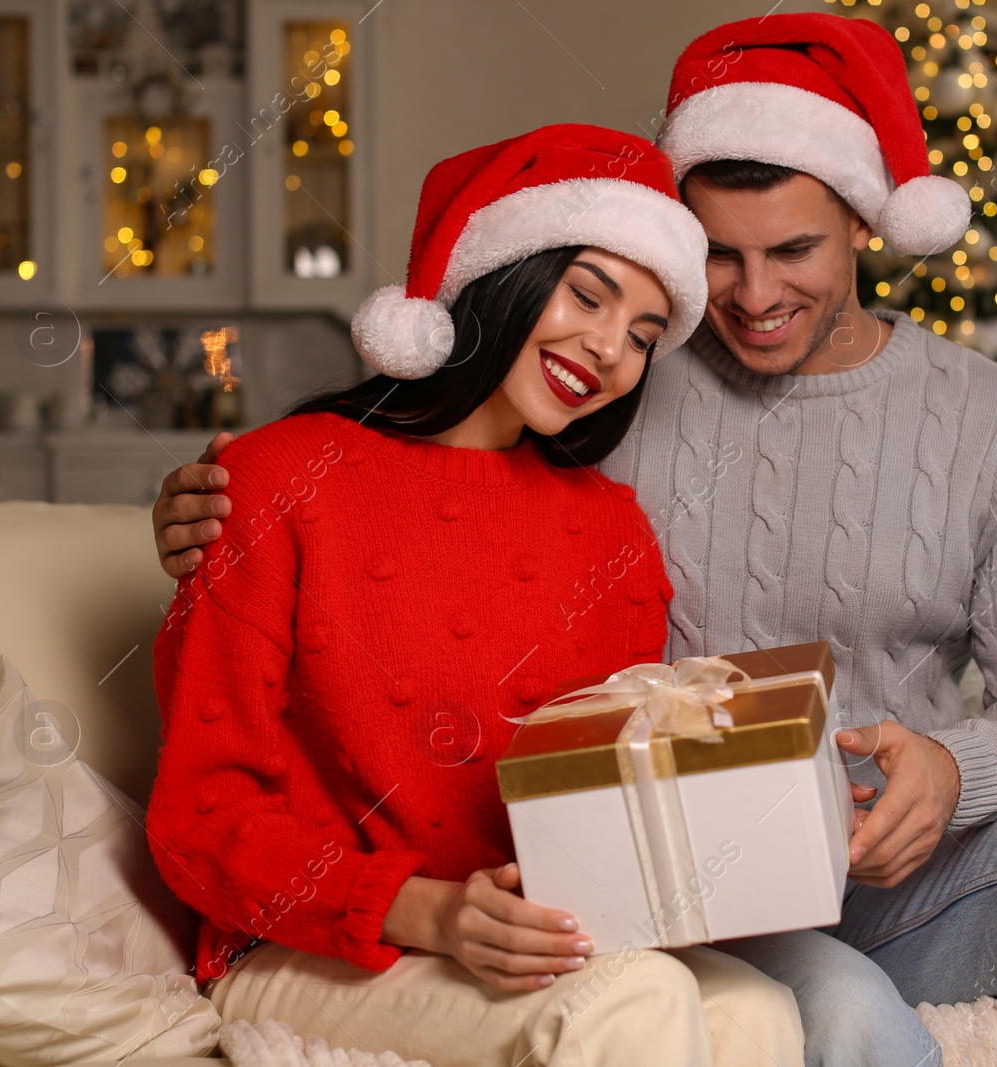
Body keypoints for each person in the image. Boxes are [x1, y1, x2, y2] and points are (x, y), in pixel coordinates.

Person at [153, 15, 997, 1067]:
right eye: (719, 257)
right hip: (703, 890)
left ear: (866, 226)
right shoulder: (607, 405)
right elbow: (405, 487)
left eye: (792, 249)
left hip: (900, 870)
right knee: (838, 1017)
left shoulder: (988, 420)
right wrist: (212, 511)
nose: (751, 297)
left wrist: (949, 767)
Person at [146, 124, 805, 1067]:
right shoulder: (275, 477)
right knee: (640, 1002)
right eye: (587, 295)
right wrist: (429, 911)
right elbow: (199, 819)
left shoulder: (613, 529)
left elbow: (609, 796)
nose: (609, 348)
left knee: (759, 1010)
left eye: (644, 336)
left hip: (523, 939)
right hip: (307, 945)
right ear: (508, 275)